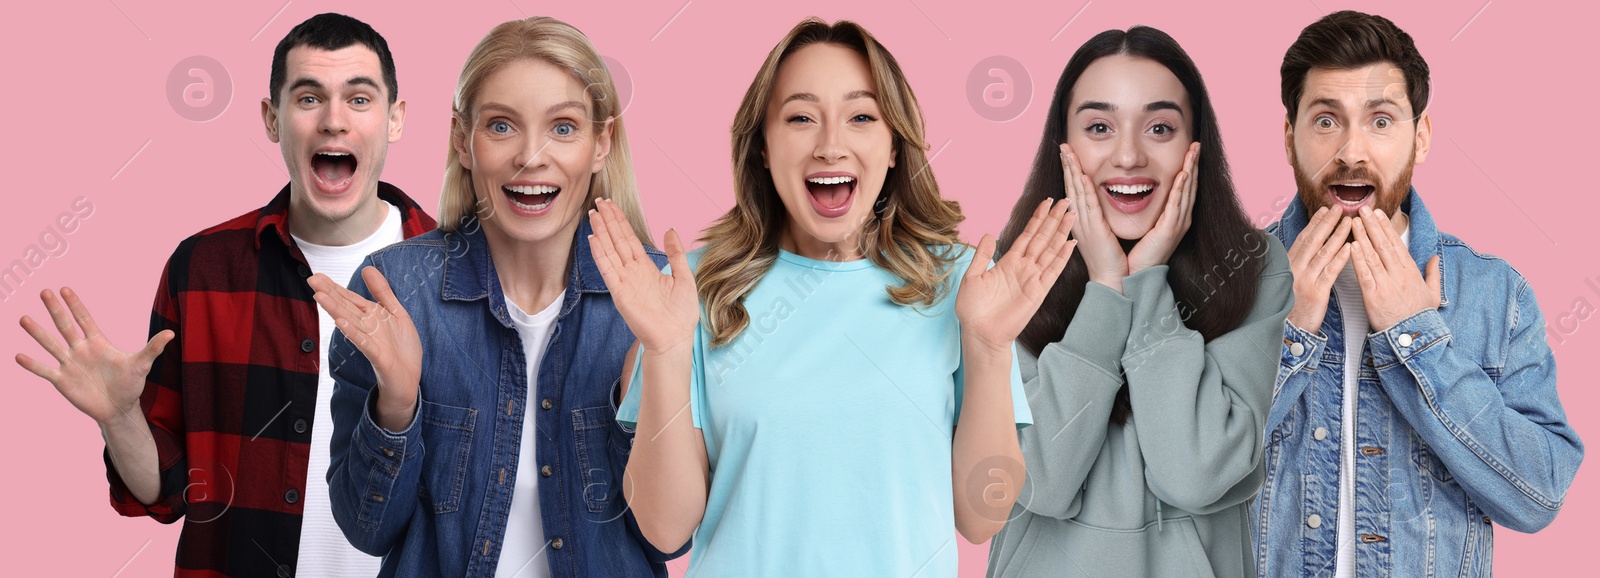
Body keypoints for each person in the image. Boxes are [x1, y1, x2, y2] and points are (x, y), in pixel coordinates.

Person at [590, 18, 1075, 577]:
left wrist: (989, 349)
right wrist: (666, 349)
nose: (830, 145)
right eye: (800, 118)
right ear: (763, 150)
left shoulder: (964, 289)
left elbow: (983, 516)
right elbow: (665, 528)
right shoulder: (690, 290)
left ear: (894, 146)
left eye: (862, 117)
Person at [13, 13, 435, 577]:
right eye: (308, 98)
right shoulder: (202, 270)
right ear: (272, 118)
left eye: (359, 100)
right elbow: (163, 490)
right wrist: (119, 419)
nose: (334, 121)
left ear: (395, 119)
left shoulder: (460, 275)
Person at [314, 16, 686, 577]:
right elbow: (367, 532)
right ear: (463, 141)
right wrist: (396, 402)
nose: (531, 156)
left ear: (601, 142)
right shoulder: (395, 292)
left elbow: (668, 541)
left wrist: (656, 379)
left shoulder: (659, 302)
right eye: (501, 126)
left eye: (563, 128)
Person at [1251, 10, 1583, 577]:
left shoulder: (1494, 293)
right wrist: (1287, 333)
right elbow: (1184, 480)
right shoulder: (1228, 283)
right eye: (1326, 120)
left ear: (1420, 137)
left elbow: (1539, 496)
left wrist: (1417, 339)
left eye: (1381, 121)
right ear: (1289, 138)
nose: (1352, 151)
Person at [984, 26, 1293, 578]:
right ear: (1064, 145)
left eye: (1159, 127)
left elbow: (1194, 473)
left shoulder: (1257, 266)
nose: (1128, 156)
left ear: (1197, 144)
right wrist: (1105, 288)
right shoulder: (1004, 273)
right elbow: (1043, 480)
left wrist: (1146, 279)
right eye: (1099, 127)